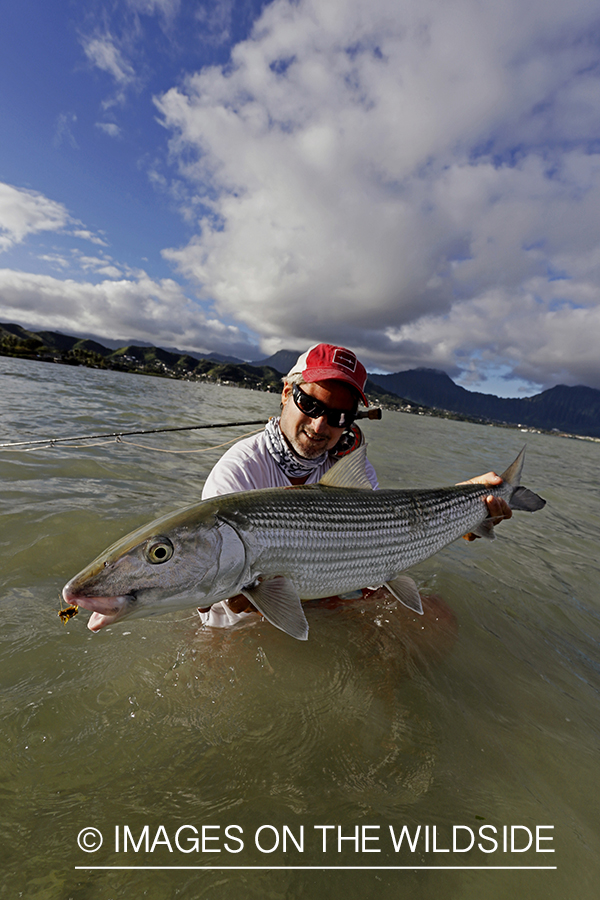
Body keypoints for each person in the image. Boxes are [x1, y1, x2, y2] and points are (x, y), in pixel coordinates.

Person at [198, 342, 511, 628]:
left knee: (440, 620)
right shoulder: (237, 472)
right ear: (285, 393)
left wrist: (467, 510)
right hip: (248, 622)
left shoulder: (347, 465)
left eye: (338, 416)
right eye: (310, 403)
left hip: (326, 600)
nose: (320, 425)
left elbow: (386, 533)